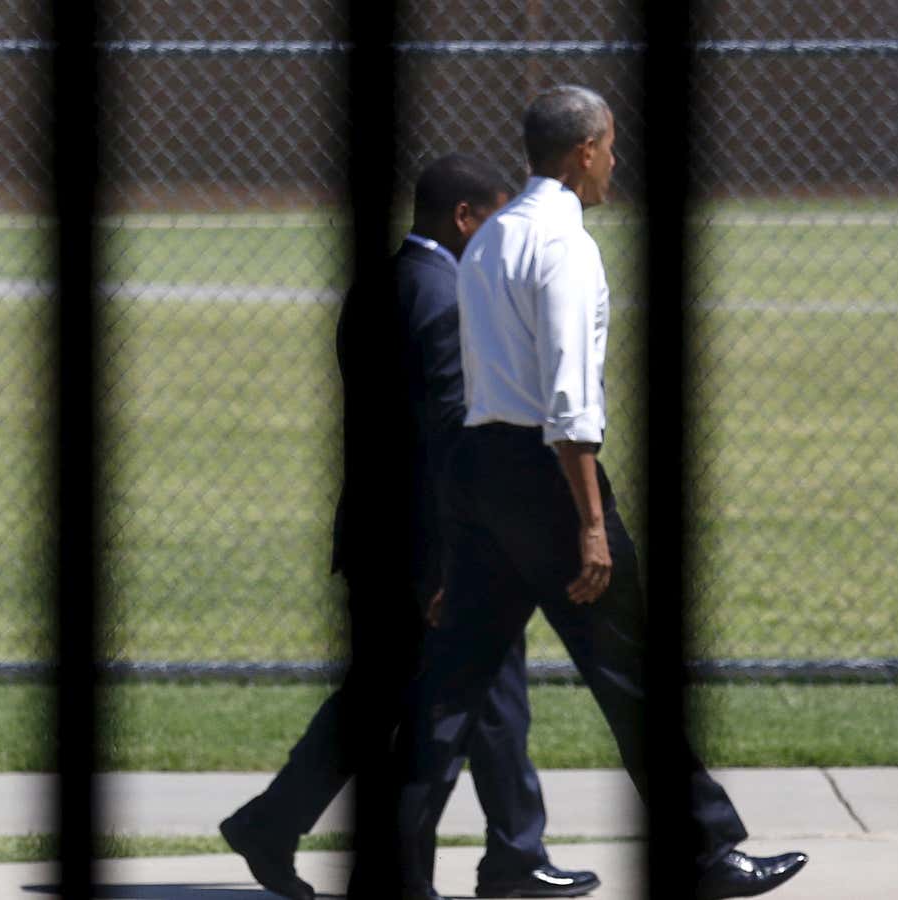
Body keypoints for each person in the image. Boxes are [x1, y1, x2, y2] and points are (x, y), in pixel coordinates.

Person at [390, 86, 810, 900]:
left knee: (450, 689)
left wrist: (455, 530)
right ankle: (709, 851)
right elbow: (569, 399)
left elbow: (475, 389)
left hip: (477, 477)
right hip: (550, 482)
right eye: (611, 145)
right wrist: (589, 522)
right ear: (584, 151)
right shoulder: (564, 245)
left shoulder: (487, 240)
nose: (615, 160)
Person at [218, 153, 600, 900]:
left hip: (375, 530)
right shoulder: (450, 297)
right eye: (491, 221)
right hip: (437, 542)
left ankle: (283, 825)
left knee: (419, 699)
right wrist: (453, 561)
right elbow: (446, 440)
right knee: (463, 701)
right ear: (464, 218)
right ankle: (493, 860)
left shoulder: (380, 285)